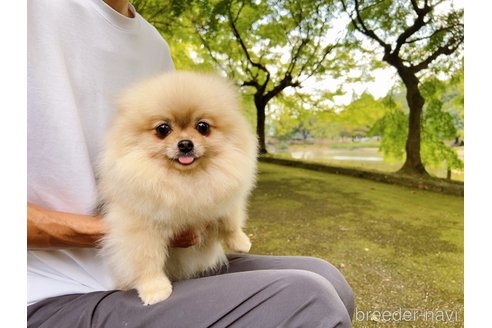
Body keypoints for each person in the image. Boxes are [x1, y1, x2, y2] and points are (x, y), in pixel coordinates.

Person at [27, 0, 354, 327]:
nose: (184, 138)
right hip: (48, 291)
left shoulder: (153, 43)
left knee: (328, 278)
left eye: (200, 129)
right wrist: (136, 229)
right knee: (310, 300)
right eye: (165, 131)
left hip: (167, 270)